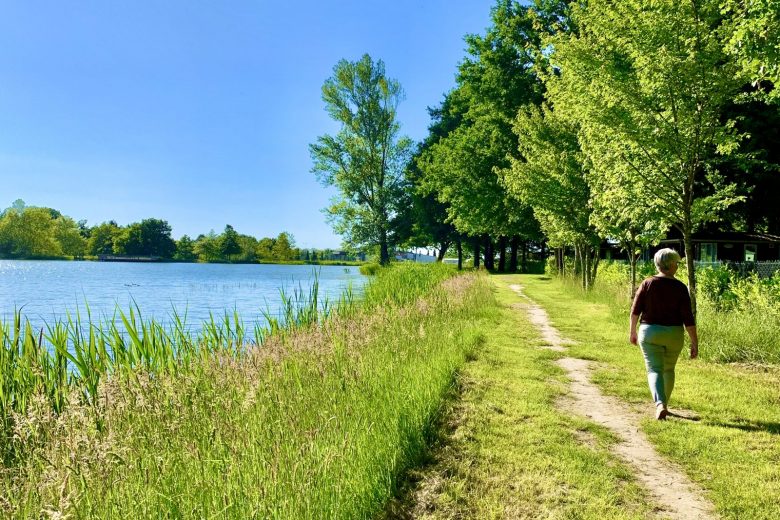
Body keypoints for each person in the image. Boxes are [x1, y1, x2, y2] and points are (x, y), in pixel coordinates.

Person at [629, 248, 698, 420]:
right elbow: (688, 318)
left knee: (654, 370)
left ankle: (660, 404)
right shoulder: (681, 287)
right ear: (671, 265)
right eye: (677, 263)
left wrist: (632, 331)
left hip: (650, 332)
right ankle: (664, 405)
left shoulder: (647, 283)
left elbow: (635, 310)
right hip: (674, 334)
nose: (678, 266)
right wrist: (694, 342)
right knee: (668, 369)